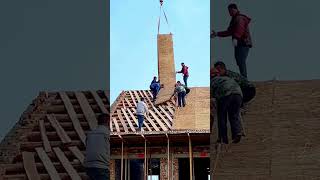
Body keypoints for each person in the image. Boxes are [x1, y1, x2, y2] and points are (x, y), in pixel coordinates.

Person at [211, 3, 252, 78]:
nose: (229, 13)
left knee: (240, 61)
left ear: (234, 9)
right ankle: (244, 77)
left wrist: (236, 37)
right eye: (228, 11)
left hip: (243, 43)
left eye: (230, 11)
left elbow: (240, 28)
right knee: (239, 61)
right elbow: (229, 32)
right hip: (240, 43)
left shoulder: (239, 18)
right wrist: (217, 34)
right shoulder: (234, 19)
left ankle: (244, 78)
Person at [211, 68, 243, 144]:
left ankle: (223, 138)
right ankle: (236, 134)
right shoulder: (227, 78)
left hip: (226, 95)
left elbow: (211, 93)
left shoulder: (213, 80)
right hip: (238, 95)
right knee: (234, 115)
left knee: (222, 117)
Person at [84, 113, 110, 180]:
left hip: (89, 166)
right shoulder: (107, 134)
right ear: (108, 122)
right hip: (102, 167)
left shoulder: (90, 134)